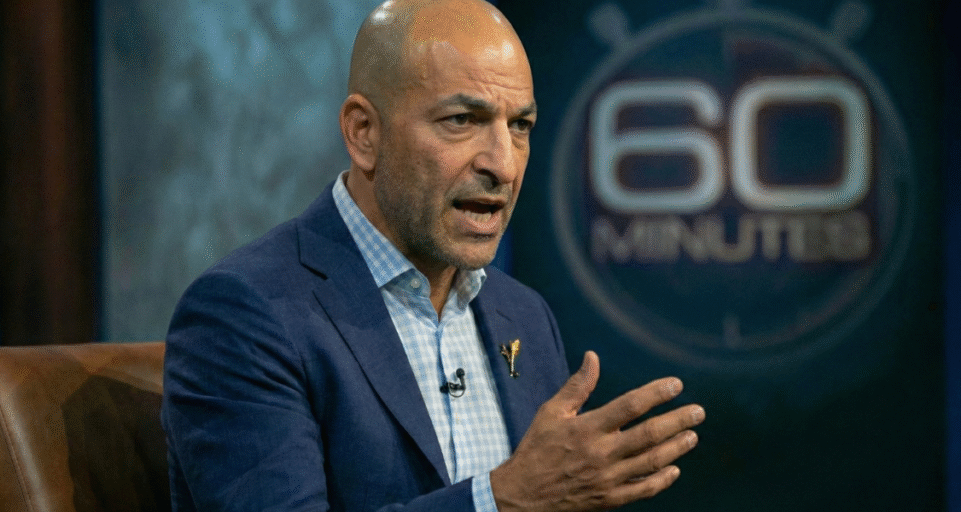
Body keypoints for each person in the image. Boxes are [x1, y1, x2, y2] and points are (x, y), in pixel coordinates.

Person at [161, 0, 705, 510]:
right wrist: (501, 500)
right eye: (462, 120)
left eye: (519, 126)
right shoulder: (246, 315)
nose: (504, 165)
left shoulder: (526, 317)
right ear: (364, 133)